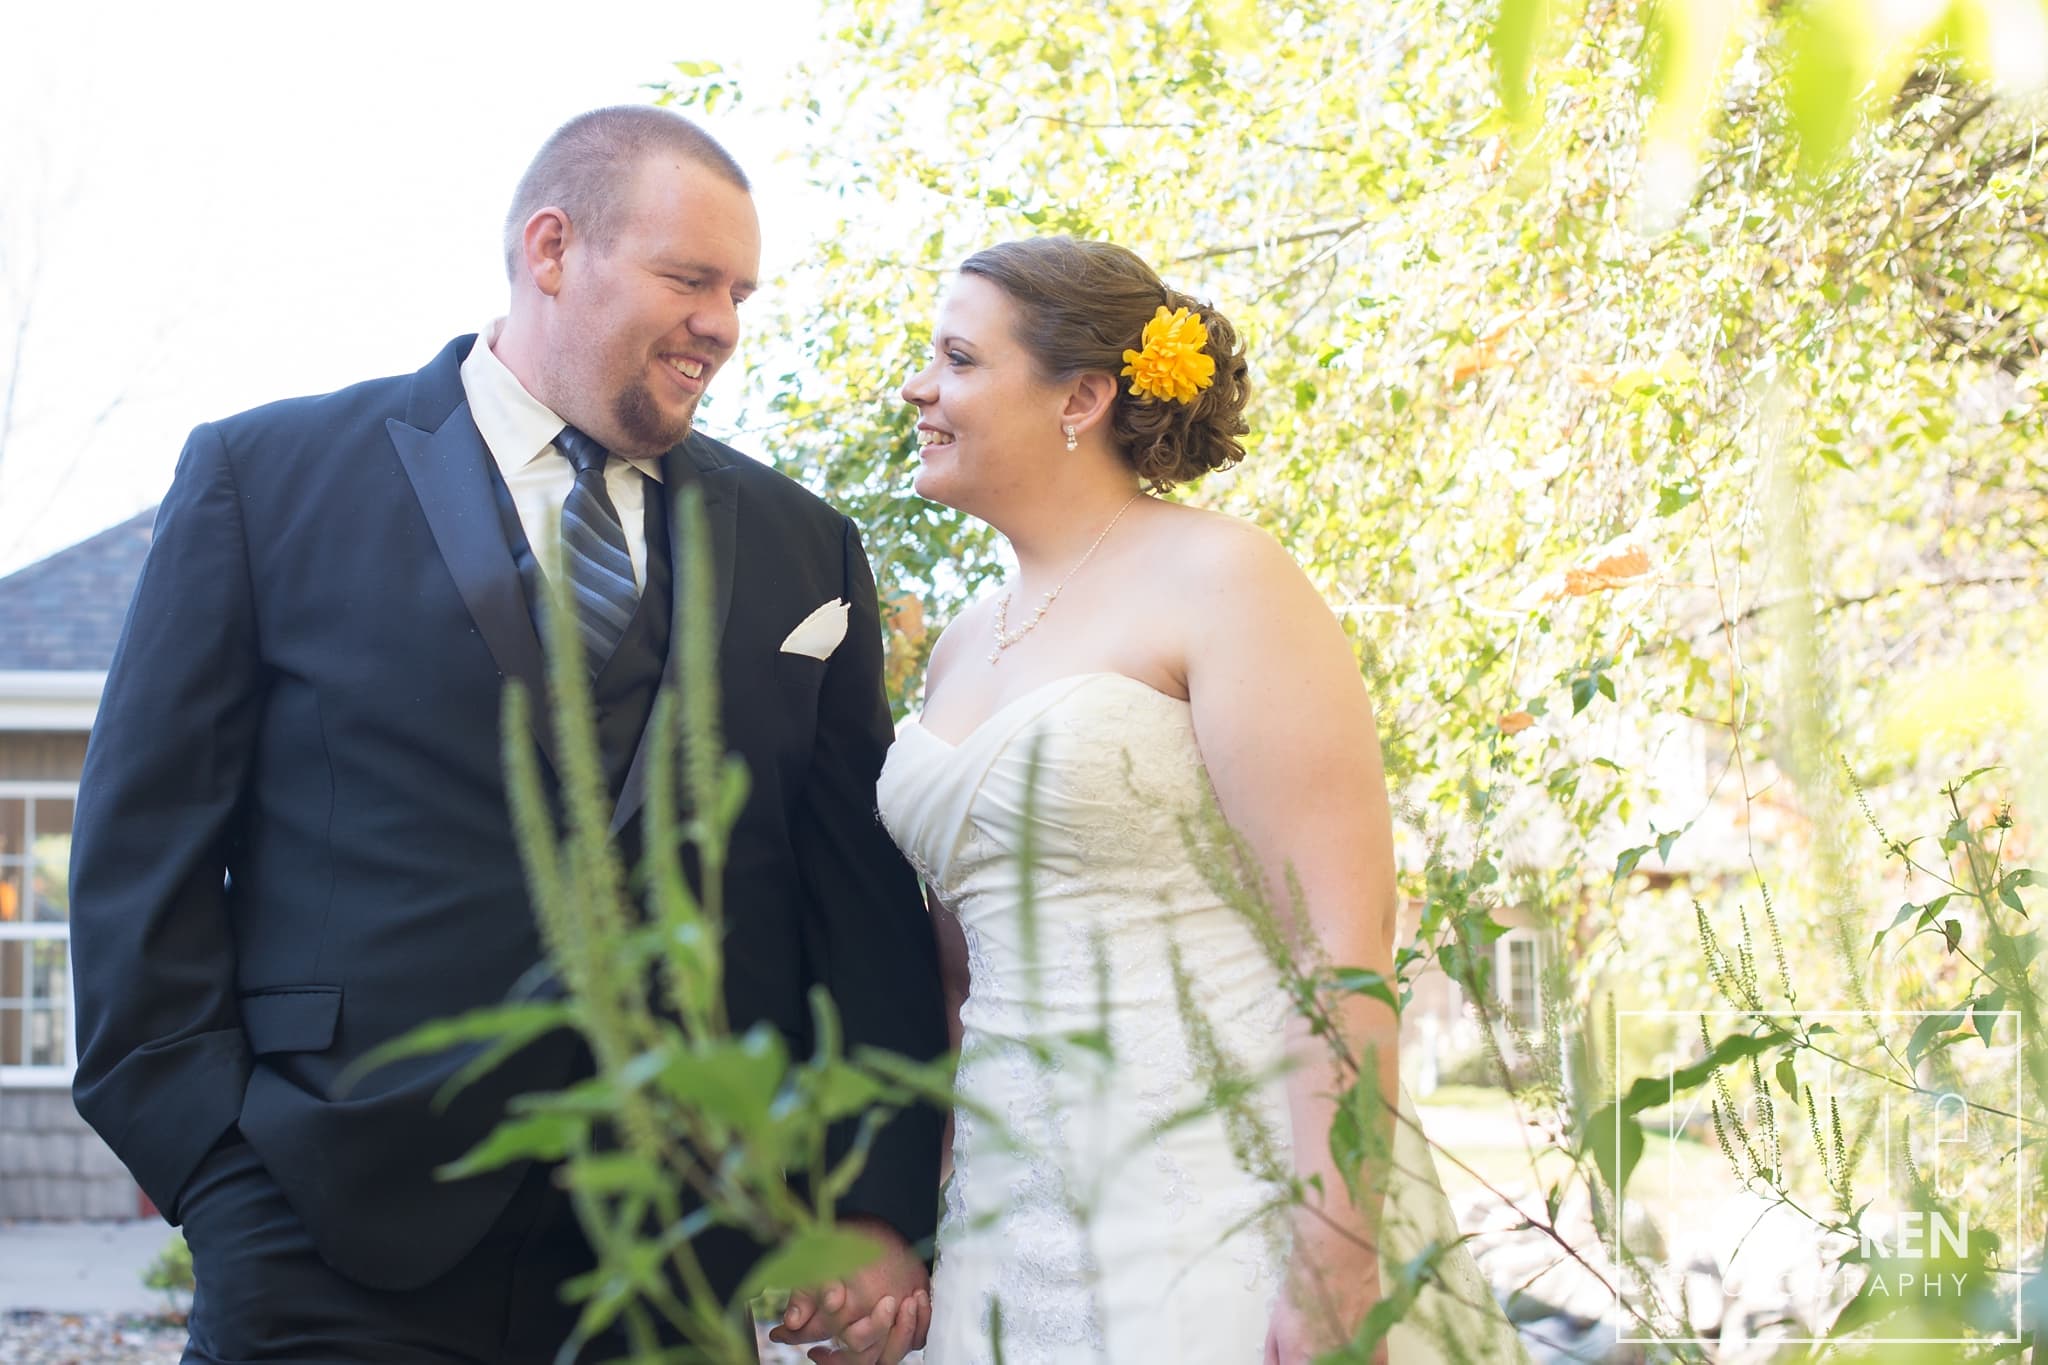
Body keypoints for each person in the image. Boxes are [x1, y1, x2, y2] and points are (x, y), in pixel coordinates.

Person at [67, 106, 943, 1364]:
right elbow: (138, 862)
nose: (724, 325)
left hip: (676, 1254)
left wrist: (871, 1198)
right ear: (550, 249)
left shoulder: (806, 544)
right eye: (689, 278)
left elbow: (855, 903)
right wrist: (221, 1178)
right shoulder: (266, 479)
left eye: (740, 292)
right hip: (329, 1235)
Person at [860, 237, 1527, 1362]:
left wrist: (1333, 1252)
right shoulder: (962, 643)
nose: (918, 387)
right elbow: (959, 969)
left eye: (958, 358)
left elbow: (1341, 937)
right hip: (1002, 1218)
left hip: (1222, 1199)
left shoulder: (1226, 581)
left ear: (1080, 396)